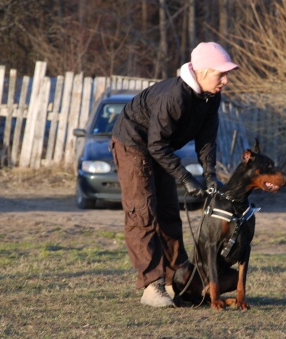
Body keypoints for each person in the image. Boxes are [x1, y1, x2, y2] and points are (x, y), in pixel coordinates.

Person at [110, 42, 238, 307]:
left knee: (169, 212)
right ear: (202, 72)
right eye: (220, 74)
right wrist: (186, 178)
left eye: (227, 74)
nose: (225, 80)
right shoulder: (175, 97)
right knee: (143, 212)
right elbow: (155, 144)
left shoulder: (211, 97)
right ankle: (151, 285)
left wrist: (210, 175)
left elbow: (206, 140)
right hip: (133, 142)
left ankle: (176, 279)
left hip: (159, 148)